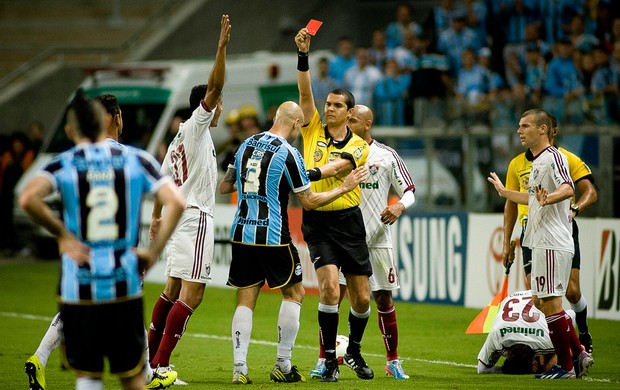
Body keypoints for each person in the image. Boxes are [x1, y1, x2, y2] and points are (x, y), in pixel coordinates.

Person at [18, 89, 185, 390]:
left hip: (78, 280)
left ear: (72, 129)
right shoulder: (135, 159)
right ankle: (146, 373)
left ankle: (41, 356)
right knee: (131, 377)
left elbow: (28, 198)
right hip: (122, 278)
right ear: (114, 119)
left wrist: (63, 235)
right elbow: (176, 201)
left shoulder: (68, 161)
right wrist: (154, 252)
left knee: (88, 375)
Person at [219, 101, 368, 384]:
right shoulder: (289, 153)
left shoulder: (246, 144)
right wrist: (344, 188)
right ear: (297, 124)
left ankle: (239, 369)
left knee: (246, 300)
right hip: (274, 236)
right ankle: (283, 365)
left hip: (241, 233)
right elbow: (309, 201)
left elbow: (226, 185)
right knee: (295, 294)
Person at [146, 15, 230, 382]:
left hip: (175, 218)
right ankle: (161, 365)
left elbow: (161, 179)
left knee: (172, 289)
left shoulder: (180, 138)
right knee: (193, 295)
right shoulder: (196, 126)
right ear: (205, 106)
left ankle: (148, 364)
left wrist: (154, 218)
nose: (221, 107)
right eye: (217, 103)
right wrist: (222, 47)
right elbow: (214, 86)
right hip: (195, 218)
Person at [310, 105, 416, 380]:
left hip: (377, 239)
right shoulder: (336, 151)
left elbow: (409, 190)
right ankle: (325, 359)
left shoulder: (386, 155)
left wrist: (399, 207)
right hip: (344, 237)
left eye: (353, 119)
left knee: (382, 298)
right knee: (333, 294)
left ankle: (392, 360)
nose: (347, 120)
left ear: (367, 124)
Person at [295, 27, 373, 382]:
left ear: (349, 112)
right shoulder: (311, 127)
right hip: (318, 221)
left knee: (361, 298)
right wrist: (303, 56)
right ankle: (328, 360)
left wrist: (306, 171)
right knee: (327, 288)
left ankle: (353, 350)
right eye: (327, 104)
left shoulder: (359, 145)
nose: (328, 109)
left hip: (349, 220)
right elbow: (303, 91)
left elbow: (341, 167)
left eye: (336, 106)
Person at [487, 109, 589, 379]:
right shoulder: (538, 161)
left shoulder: (553, 157)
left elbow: (568, 188)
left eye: (525, 126)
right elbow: (530, 199)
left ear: (542, 129)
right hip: (541, 239)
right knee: (540, 300)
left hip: (551, 241)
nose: (519, 131)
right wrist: (504, 192)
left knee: (552, 302)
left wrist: (550, 198)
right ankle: (578, 353)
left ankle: (566, 366)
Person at [477, 290, 596, 377]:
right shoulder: (497, 335)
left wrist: (575, 350)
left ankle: (581, 353)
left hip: (534, 298)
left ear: (534, 360)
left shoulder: (496, 336)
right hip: (520, 296)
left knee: (559, 358)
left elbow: (482, 369)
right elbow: (481, 369)